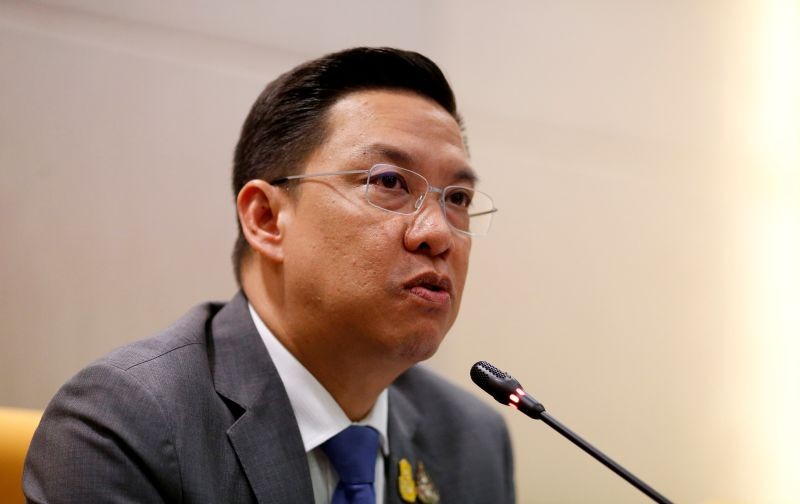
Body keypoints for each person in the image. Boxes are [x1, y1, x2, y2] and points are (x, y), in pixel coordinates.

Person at [23, 47, 514, 504]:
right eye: (388, 182)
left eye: (458, 199)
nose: (438, 234)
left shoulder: (471, 439)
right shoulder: (128, 422)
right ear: (265, 219)